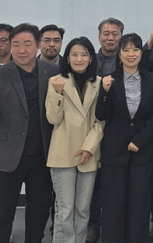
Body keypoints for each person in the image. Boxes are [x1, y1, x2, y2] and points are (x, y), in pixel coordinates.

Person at [0, 23, 59, 243]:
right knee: (1, 213)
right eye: (17, 44)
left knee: (39, 211)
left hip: (42, 155)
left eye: (27, 44)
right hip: (6, 155)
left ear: (38, 45)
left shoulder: (52, 72)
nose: (22, 50)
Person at [95, 33, 153, 243]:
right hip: (114, 151)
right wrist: (104, 92)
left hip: (143, 150)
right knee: (113, 205)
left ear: (141, 52)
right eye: (126, 50)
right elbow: (101, 115)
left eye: (135, 49)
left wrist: (140, 140)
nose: (130, 54)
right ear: (119, 53)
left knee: (139, 205)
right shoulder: (109, 80)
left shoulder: (152, 79)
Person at [45, 37, 104, 243]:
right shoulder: (56, 81)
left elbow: (101, 121)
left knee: (83, 209)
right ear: (67, 58)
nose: (79, 59)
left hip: (89, 153)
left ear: (91, 58)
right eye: (74, 54)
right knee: (65, 209)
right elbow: (53, 118)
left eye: (84, 54)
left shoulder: (99, 83)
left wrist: (89, 148)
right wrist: (58, 94)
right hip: (63, 152)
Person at [87, 16, 124, 243]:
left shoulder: (128, 60)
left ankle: (113, 226)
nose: (110, 38)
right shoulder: (89, 60)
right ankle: (93, 225)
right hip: (91, 127)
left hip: (117, 129)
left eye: (115, 34)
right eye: (106, 34)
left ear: (121, 36)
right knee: (93, 181)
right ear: (99, 36)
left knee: (114, 183)